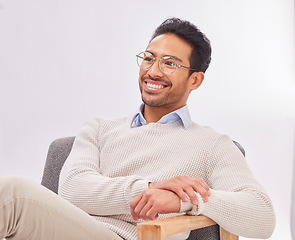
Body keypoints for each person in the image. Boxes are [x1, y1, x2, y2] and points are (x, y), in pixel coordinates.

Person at [0, 17, 275, 240]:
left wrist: (183, 201)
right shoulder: (99, 129)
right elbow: (72, 189)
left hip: (129, 237)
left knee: (12, 195)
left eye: (170, 63)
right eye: (148, 58)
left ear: (195, 80)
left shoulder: (211, 144)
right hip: (66, 230)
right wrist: (150, 189)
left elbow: (262, 216)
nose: (153, 71)